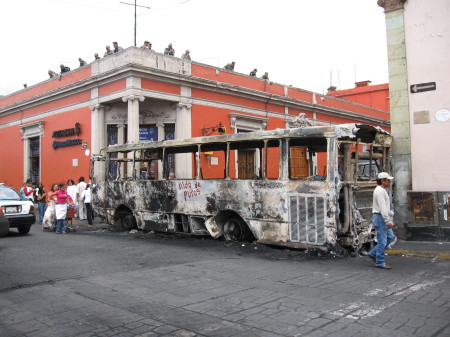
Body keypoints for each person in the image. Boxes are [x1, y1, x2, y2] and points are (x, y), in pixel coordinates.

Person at [368, 172, 395, 269]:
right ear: (383, 181)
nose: (389, 182)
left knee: (390, 237)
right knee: (382, 241)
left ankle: (373, 253)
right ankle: (380, 261)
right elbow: (383, 208)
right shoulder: (380, 191)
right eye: (388, 180)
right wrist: (388, 220)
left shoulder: (381, 190)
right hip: (381, 218)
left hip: (381, 217)